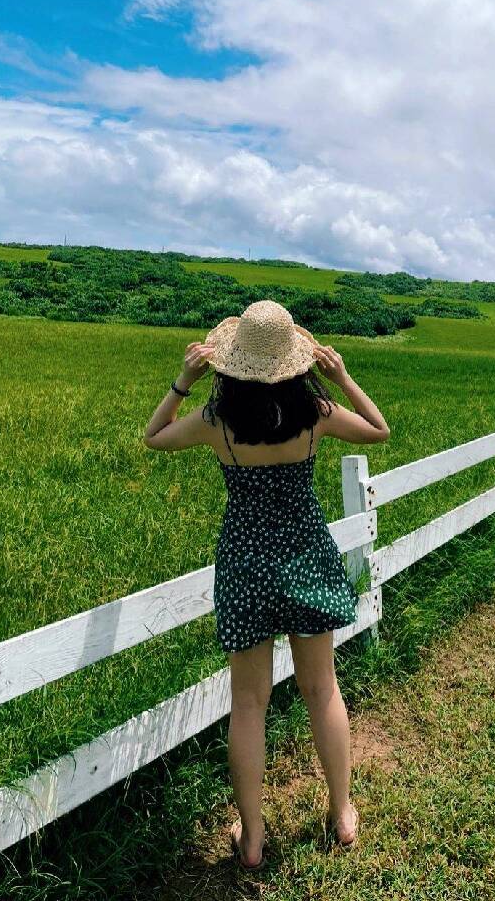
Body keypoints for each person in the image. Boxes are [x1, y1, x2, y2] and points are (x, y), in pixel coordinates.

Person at [142, 299, 389, 871]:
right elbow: (380, 430)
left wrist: (183, 379)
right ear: (295, 363)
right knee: (322, 690)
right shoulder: (317, 413)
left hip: (245, 564)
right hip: (305, 555)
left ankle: (252, 839)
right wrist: (344, 376)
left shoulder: (216, 423)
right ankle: (343, 811)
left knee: (249, 702)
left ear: (232, 364)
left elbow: (153, 436)